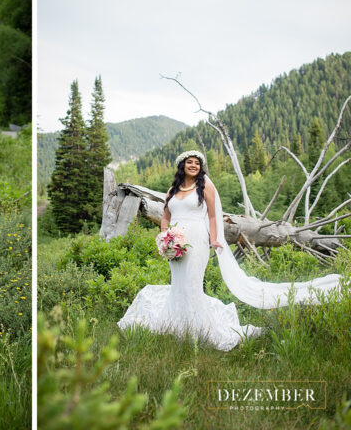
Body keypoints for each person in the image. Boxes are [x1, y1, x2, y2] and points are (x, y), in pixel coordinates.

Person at [117, 150, 342, 351]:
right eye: (189, 162)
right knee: (178, 282)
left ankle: (199, 330)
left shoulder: (204, 186)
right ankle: (176, 324)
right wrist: (163, 235)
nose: (193, 165)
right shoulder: (173, 189)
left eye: (197, 162)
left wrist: (215, 239)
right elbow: (166, 216)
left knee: (192, 283)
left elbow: (213, 215)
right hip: (173, 242)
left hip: (195, 240)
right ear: (182, 166)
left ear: (200, 166)